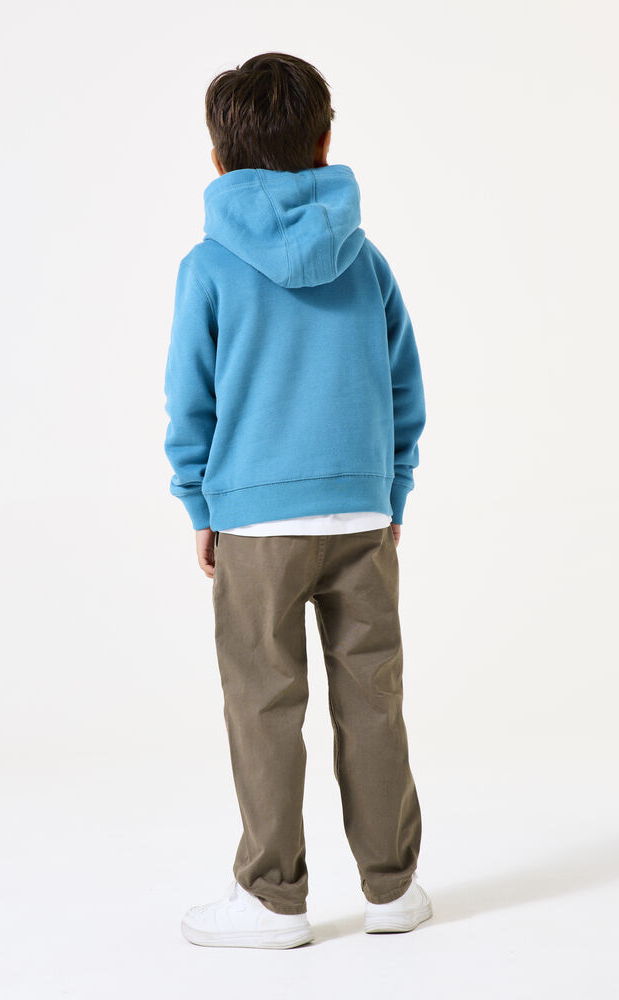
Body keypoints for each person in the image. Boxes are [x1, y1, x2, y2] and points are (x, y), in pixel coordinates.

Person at [163, 51, 432, 950]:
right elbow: (403, 386)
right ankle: (392, 891)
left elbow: (190, 399)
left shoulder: (208, 265)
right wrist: (391, 489)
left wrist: (199, 504)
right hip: (361, 514)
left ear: (218, 159)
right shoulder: (367, 261)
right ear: (324, 145)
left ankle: (273, 901)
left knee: (263, 704)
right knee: (372, 700)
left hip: (254, 522)